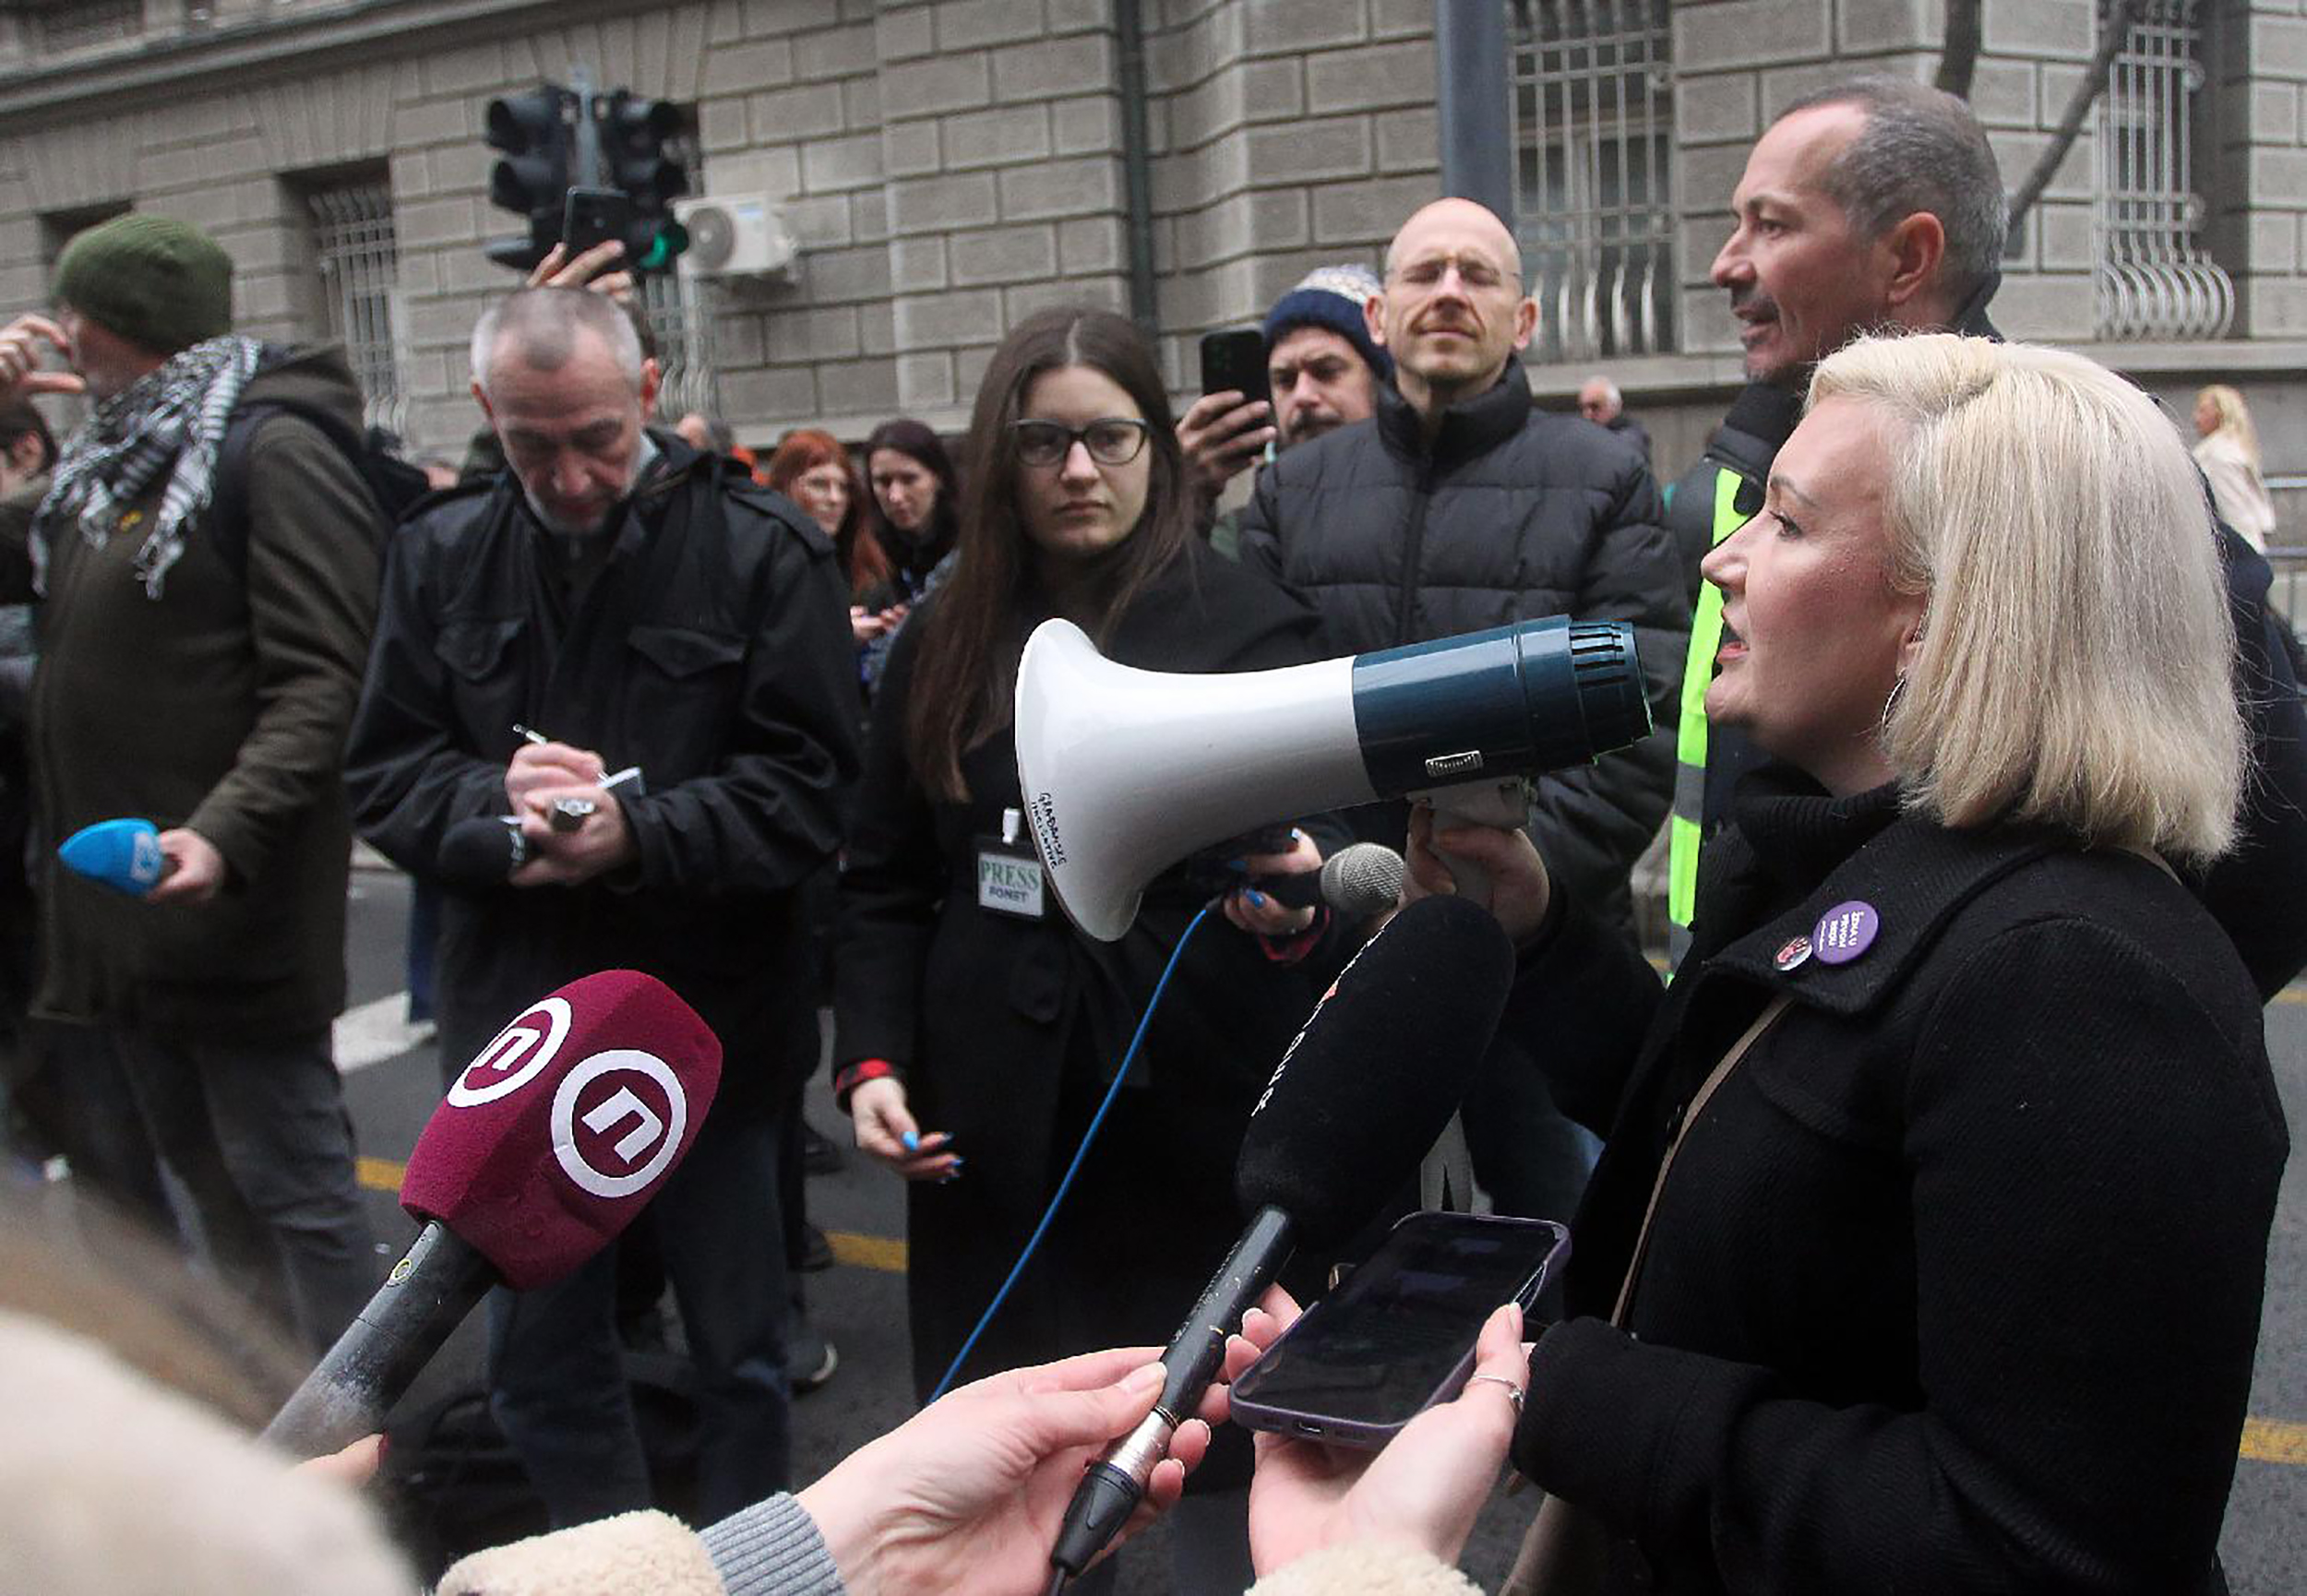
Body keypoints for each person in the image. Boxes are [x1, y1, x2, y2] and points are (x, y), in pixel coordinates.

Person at [1412, 334, 2285, 1596]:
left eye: (1787, 521)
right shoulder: (1851, 861)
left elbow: (2037, 1549)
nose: (1722, 559)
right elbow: (1733, 1131)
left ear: (1940, 611)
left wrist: (1590, 1397)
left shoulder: (2080, 980)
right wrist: (1536, 932)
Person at [835, 305, 1346, 1592]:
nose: (1077, 470)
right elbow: (883, 876)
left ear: (1155, 449)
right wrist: (872, 1058)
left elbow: (1336, 847)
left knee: (1213, 1444)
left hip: (1194, 1097)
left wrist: (1304, 891)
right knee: (1008, 1448)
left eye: (1109, 438)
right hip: (993, 1107)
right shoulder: (942, 638)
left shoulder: (1250, 629)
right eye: (1043, 441)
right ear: (997, 460)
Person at [344, 285, 861, 1530]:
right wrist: (493, 808)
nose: (571, 478)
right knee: (538, 1358)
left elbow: (815, 789)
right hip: (518, 1035)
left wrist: (643, 832)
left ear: (646, 392)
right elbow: (385, 769)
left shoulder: (762, 547)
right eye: (533, 446)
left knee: (742, 1352)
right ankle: (603, 1560)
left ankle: (741, 1560)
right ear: (486, 411)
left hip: (708, 1029)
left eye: (596, 439)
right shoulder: (438, 550)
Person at [1665, 77, 2307, 999]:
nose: (1727, 264)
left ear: (1908, 256)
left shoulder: (2074, 491)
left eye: (1772, 225)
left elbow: (2268, 855)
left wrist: (2061, 1020)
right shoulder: (1745, 458)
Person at [1234, 197, 1688, 1242]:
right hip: (1346, 951)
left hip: (1531, 957)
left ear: (1523, 320)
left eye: (1477, 274)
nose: (1448, 291)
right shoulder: (1290, 490)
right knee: (1345, 1253)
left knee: (1561, 1245)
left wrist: (1486, 899)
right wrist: (1342, 876)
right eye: (1424, 272)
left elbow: (1637, 720)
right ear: (1380, 315)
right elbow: (1257, 707)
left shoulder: (1603, 476)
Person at [0, 213, 379, 1352]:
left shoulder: (272, 450)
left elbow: (324, 678)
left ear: (117, 323)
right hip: (123, 923)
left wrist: (223, 829)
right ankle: (262, 1408)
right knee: (210, 1197)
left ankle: (356, 1429)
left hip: (226, 911)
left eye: (74, 309)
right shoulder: (110, 462)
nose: (60, 331)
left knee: (293, 1196)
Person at [1176, 263, 1393, 558]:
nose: (1302, 396)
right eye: (1285, 380)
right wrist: (1185, 500)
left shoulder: (1436, 508)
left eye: (1326, 372)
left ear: (1382, 382)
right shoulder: (1245, 537)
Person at [854, 417, 962, 689]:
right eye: (883, 482)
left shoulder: (972, 543)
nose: (895, 496)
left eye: (909, 479)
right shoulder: (865, 550)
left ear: (938, 478)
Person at [2193, 384, 2278, 554]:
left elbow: (2233, 512)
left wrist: (2246, 556)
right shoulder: (2232, 448)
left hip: (2234, 552)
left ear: (2220, 413)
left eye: (2203, 411)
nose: (2195, 418)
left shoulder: (2219, 455)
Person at [1575, 375, 1649, 461]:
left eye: (1595, 407)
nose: (1588, 414)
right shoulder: (1583, 435)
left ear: (1614, 406)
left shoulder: (1631, 438)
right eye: (1583, 408)